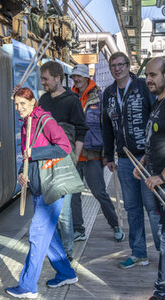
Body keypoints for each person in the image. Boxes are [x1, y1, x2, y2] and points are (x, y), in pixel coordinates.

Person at [5, 87, 77, 299]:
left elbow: (64, 147)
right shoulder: (27, 122)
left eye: (22, 105)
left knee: (37, 233)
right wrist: (21, 173)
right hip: (38, 186)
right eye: (16, 105)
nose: (19, 109)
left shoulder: (45, 120)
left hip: (51, 186)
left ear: (33, 102)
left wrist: (34, 153)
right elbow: (26, 157)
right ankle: (66, 273)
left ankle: (27, 286)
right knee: (49, 237)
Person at [102, 52, 160, 269]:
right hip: (125, 159)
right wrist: (109, 155)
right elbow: (106, 126)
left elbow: (157, 117)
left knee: (152, 208)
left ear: (128, 66)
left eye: (120, 65)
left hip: (148, 158)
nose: (117, 69)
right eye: (113, 66)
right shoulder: (108, 93)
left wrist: (151, 152)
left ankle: (162, 252)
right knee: (132, 208)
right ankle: (138, 253)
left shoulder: (144, 86)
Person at [38, 61, 88, 260]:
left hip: (65, 161)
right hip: (46, 162)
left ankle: (66, 252)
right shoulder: (43, 100)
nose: (43, 83)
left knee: (64, 212)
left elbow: (80, 131)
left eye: (45, 79)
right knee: (49, 209)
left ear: (58, 78)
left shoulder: (72, 101)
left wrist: (74, 159)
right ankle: (54, 247)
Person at [70, 64, 125, 242]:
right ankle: (79, 229)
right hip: (74, 156)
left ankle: (115, 224)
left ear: (87, 78)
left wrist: (106, 154)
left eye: (78, 76)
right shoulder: (70, 98)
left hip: (93, 154)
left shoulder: (100, 98)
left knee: (99, 192)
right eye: (73, 77)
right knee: (74, 194)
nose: (75, 80)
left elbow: (107, 127)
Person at [133, 57, 165, 300]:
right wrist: (144, 161)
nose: (148, 79)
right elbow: (155, 140)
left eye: (153, 75)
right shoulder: (157, 104)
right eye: (147, 75)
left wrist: (161, 176)